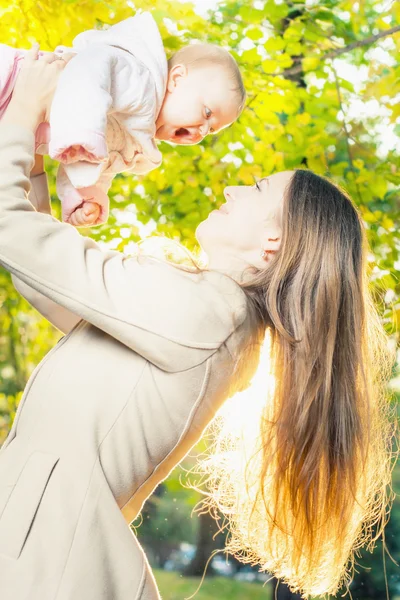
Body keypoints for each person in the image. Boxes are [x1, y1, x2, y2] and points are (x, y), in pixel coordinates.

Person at [0, 49, 394, 600]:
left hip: (49, 568)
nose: (233, 190)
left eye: (256, 191)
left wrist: (20, 115)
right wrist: (37, 165)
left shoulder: (208, 314)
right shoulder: (210, 312)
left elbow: (13, 234)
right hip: (43, 552)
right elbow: (47, 280)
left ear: (272, 242)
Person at [0, 12, 245, 227]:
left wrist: (86, 195)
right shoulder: (141, 82)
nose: (203, 130)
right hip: (13, 78)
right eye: (207, 113)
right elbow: (89, 68)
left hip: (16, 122)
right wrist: (84, 133)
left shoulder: (134, 141)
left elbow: (88, 160)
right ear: (177, 79)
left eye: (211, 130)